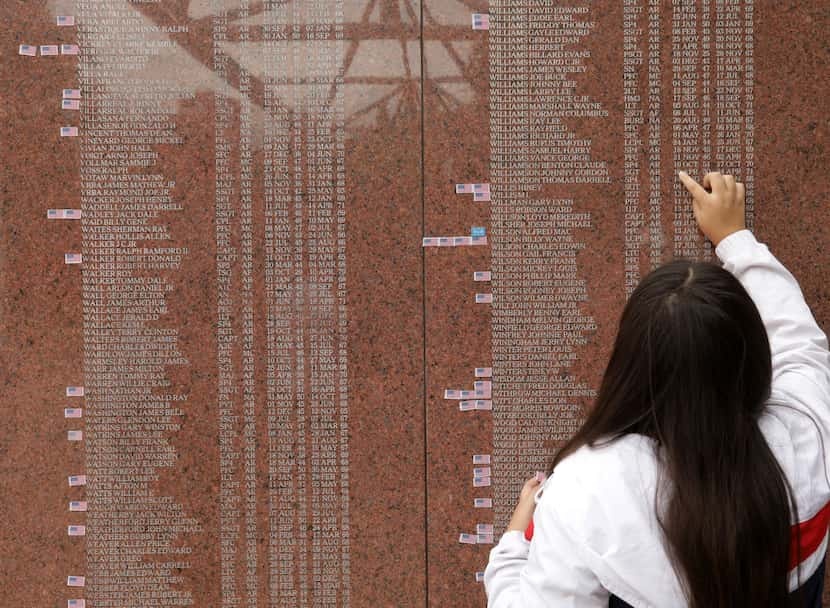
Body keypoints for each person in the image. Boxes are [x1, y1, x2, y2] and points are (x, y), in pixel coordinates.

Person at [484, 171, 830, 607]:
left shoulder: (590, 486)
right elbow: (798, 341)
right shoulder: (809, 425)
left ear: (631, 366)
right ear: (755, 356)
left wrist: (513, 548)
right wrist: (736, 239)